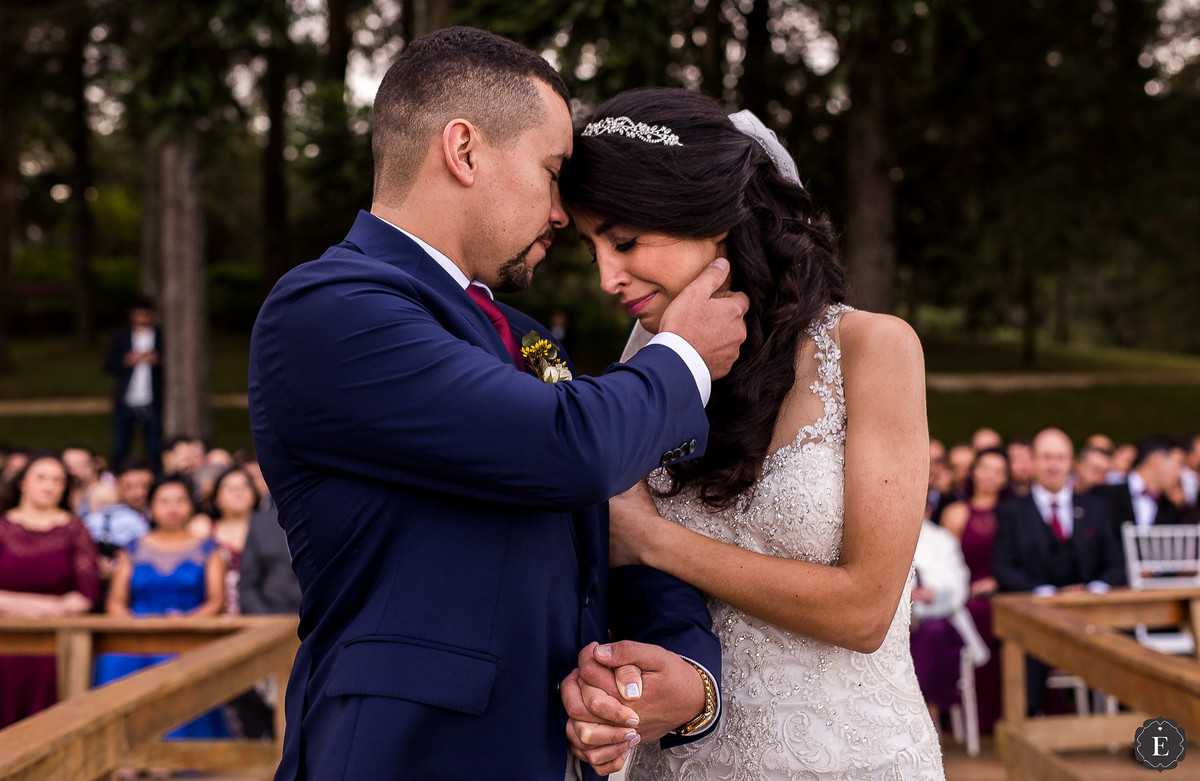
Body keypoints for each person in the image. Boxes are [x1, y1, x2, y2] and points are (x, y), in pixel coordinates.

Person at [248, 28, 748, 781]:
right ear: (465, 150)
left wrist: (682, 673)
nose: (559, 213)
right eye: (552, 173)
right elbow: (569, 449)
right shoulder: (327, 309)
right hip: (403, 757)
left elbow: (622, 529)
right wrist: (680, 356)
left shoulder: (524, 337)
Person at [559, 88, 942, 779]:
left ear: (709, 216)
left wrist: (654, 537)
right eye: (593, 251)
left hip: (849, 753)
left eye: (623, 240)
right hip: (688, 755)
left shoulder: (874, 350)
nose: (608, 278)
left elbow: (865, 609)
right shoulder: (645, 372)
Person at [992, 428, 1124, 716]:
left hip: (1092, 612)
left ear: (1071, 463)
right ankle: (1030, 727)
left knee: (1129, 645)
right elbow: (1003, 567)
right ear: (1034, 462)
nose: (1053, 465)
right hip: (1035, 616)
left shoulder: (1096, 508)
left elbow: (1116, 564)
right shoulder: (1011, 512)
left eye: (1060, 457)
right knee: (1025, 645)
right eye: (1047, 457)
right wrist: (1046, 594)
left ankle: (1134, 727)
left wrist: (1094, 589)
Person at [93, 475, 229, 740]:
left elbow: (216, 601)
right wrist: (138, 625)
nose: (172, 508)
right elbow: (115, 603)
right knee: (116, 661)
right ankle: (124, 751)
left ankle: (171, 754)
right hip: (137, 632)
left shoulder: (209, 550)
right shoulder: (130, 550)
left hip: (189, 631)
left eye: (180, 501)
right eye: (164, 501)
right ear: (152, 507)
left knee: (175, 659)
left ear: (191, 506)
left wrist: (189, 622)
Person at [0, 453, 100, 728]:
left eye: (58, 480)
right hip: (3, 643)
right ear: (23, 483)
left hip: (54, 647)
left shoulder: (75, 530)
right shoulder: (3, 527)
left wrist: (53, 610)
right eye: (41, 478)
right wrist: (35, 606)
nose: (49, 486)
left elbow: (86, 593)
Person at [938, 446, 1009, 734]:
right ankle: (975, 717)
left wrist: (999, 581)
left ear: (1005, 478)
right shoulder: (956, 513)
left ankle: (1006, 710)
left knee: (999, 614)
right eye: (985, 468)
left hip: (1004, 592)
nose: (990, 476)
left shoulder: (1013, 513)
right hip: (965, 595)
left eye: (998, 470)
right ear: (974, 472)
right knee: (978, 614)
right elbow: (944, 562)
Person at [103, 298, 163, 471]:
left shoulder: (159, 335)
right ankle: (117, 476)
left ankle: (154, 479)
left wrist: (157, 360)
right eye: (139, 314)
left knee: (153, 447)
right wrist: (127, 360)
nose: (142, 318)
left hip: (152, 399)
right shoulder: (122, 336)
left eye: (145, 314)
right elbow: (108, 364)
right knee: (121, 445)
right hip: (126, 400)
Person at [1094, 438, 1186, 533]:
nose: (1180, 474)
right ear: (1156, 461)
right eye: (1178, 465)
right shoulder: (1104, 495)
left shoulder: (1170, 509)